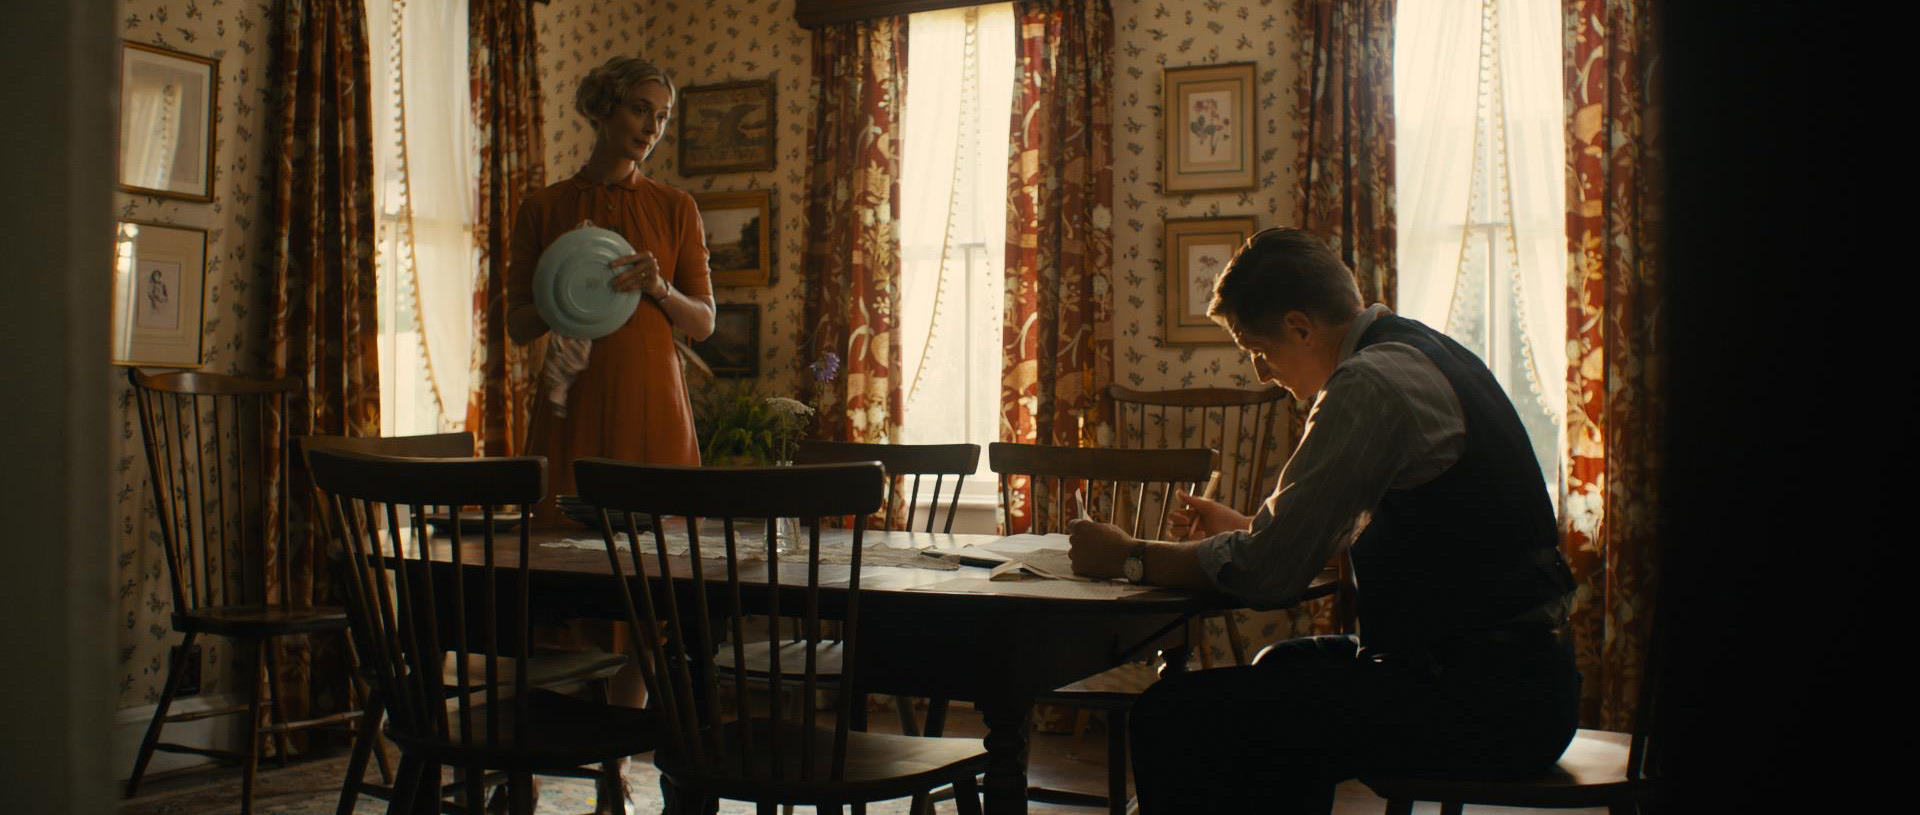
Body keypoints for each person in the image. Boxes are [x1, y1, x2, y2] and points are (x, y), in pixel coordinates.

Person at [1066, 228, 1579, 813]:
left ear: (1300, 327)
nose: (1261, 373)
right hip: (1522, 678)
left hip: (1486, 705)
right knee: (1283, 667)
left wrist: (1126, 556)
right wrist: (1248, 528)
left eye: (1258, 350)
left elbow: (1267, 576)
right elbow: (1404, 536)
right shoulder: (1427, 350)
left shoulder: (1367, 384)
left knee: (1173, 713)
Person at [503, 55, 716, 814]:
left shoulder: (676, 207)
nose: (651, 128)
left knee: (650, 599)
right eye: (638, 110)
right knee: (552, 585)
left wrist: (658, 286)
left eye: (661, 117)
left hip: (654, 407)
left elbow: (704, 321)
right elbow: (516, 322)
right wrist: (563, 292)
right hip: (572, 406)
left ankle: (616, 768)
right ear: (601, 107)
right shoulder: (543, 206)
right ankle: (525, 764)